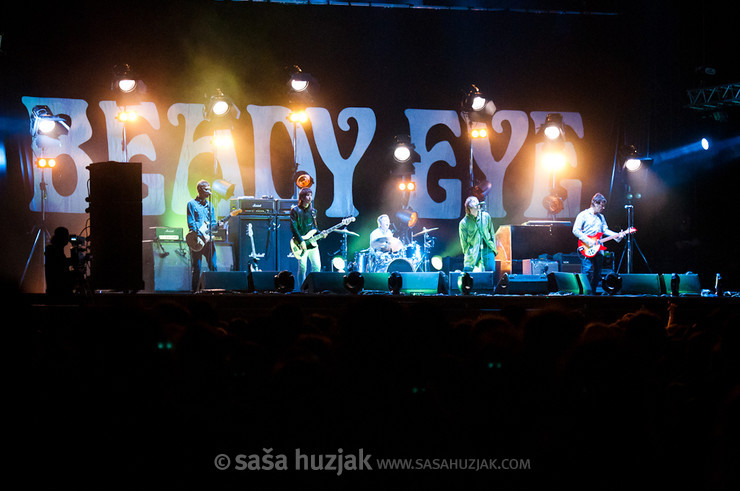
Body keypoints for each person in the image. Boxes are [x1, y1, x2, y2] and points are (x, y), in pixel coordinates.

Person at [572, 193, 626, 294]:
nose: (603, 208)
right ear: (595, 203)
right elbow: (575, 230)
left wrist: (617, 235)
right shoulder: (583, 215)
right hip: (586, 247)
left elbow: (605, 230)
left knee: (598, 274)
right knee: (586, 271)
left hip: (598, 249)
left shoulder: (601, 217)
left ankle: (592, 293)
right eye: (601, 205)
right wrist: (589, 240)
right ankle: (585, 293)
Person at [187, 180, 219, 291]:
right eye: (206, 189)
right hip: (197, 241)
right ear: (200, 190)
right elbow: (191, 222)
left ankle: (215, 290)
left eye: (209, 189)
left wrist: (218, 225)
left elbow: (213, 222)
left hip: (209, 241)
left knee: (214, 267)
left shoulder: (210, 205)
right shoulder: (191, 204)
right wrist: (199, 234)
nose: (209, 191)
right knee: (197, 268)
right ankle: (195, 292)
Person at [290, 187, 322, 288]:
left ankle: (314, 288)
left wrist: (322, 233)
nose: (309, 198)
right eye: (307, 195)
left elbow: (315, 228)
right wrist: (301, 241)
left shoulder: (313, 211)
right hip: (301, 243)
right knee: (302, 268)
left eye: (310, 195)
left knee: (317, 266)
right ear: (302, 197)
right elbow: (293, 228)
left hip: (313, 243)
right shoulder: (295, 210)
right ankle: (302, 289)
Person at [458, 196, 497, 272]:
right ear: (468, 209)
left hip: (487, 249)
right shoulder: (464, 223)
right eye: (473, 208)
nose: (476, 209)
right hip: (472, 250)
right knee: (467, 273)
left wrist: (493, 247)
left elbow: (491, 232)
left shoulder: (486, 216)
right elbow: (463, 242)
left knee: (491, 272)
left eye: (477, 207)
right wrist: (467, 252)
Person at [45, 226, 73, 295]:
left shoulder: (53, 250)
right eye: (66, 236)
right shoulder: (53, 251)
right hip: (59, 292)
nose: (68, 238)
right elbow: (60, 269)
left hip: (55, 291)